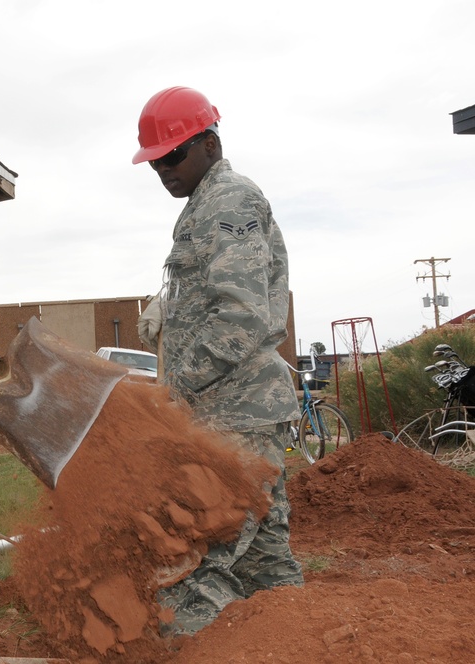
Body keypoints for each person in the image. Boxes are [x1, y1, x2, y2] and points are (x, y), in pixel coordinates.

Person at [131, 86, 303, 636]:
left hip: (236, 414)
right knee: (264, 561)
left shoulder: (228, 201)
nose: (164, 170)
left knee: (201, 556)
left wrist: (173, 388)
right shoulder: (204, 205)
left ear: (209, 143)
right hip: (236, 413)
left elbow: (243, 317)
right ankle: (295, 642)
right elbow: (220, 294)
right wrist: (171, 305)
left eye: (173, 155)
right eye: (155, 161)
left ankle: (188, 644)